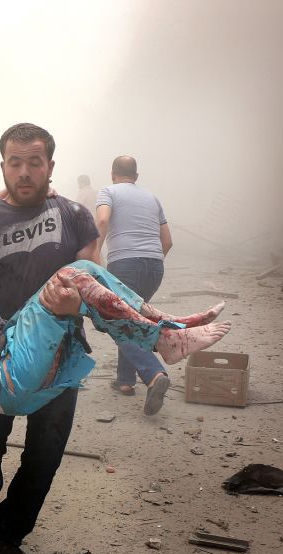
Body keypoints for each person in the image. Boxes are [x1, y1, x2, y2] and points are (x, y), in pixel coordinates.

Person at [0, 202, 231, 418]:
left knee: (81, 271)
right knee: (72, 276)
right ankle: (165, 337)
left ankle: (167, 330)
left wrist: (13, 189)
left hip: (14, 344)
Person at [0, 122, 100, 554]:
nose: (26, 172)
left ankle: (6, 537)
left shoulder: (74, 216)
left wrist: (83, 290)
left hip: (62, 357)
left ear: (51, 165)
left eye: (35, 162)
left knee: (44, 457)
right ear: (3, 167)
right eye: (16, 163)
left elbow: (93, 270)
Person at [94, 155, 175, 415]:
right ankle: (125, 381)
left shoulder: (108, 191)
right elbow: (168, 241)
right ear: (136, 177)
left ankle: (153, 374)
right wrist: (151, 260)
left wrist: (95, 253)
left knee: (118, 322)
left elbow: (103, 220)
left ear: (112, 173)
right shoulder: (152, 198)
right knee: (130, 320)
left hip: (124, 265)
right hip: (154, 266)